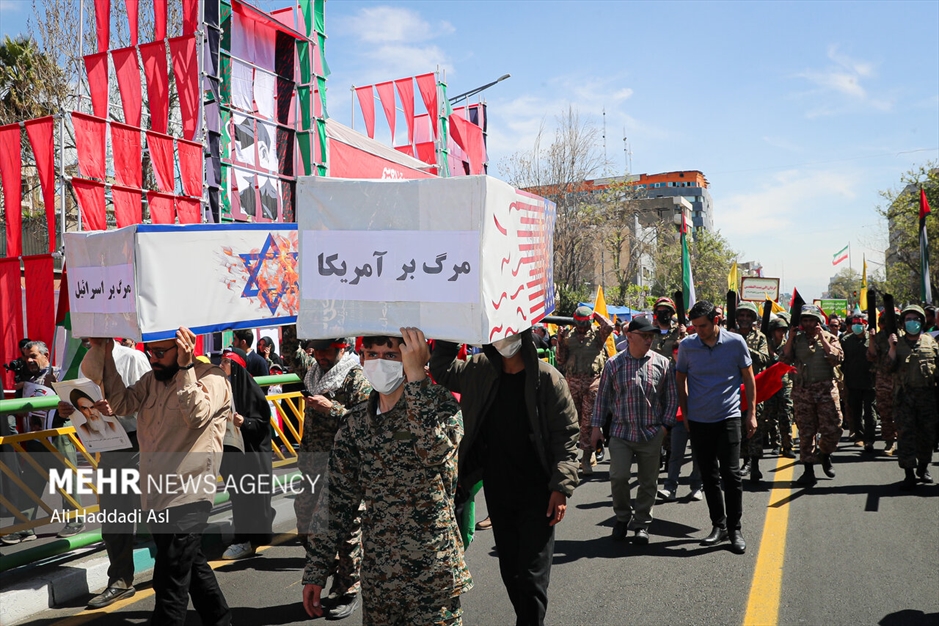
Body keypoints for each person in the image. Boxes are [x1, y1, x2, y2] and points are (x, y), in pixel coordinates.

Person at [303, 329, 472, 624]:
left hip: (432, 575)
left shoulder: (440, 404)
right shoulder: (356, 422)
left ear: (411, 357)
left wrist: (418, 378)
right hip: (381, 578)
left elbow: (433, 451)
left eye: (392, 355)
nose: (380, 363)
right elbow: (336, 498)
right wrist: (317, 568)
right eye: (372, 355)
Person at [431, 328, 579, 625]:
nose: (504, 337)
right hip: (498, 489)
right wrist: (452, 328)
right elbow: (441, 368)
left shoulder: (548, 379)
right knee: (511, 571)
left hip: (539, 493)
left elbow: (567, 437)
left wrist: (561, 487)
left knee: (532, 576)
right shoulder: (479, 370)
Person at [101, 328, 232, 626]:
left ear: (184, 347)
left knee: (170, 578)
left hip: (189, 494)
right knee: (191, 565)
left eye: (161, 353)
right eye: (151, 352)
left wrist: (185, 368)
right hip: (155, 492)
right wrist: (104, 352)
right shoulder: (152, 380)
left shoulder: (211, 377)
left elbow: (197, 415)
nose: (154, 359)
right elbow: (122, 404)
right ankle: (220, 620)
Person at [55, 337, 151, 609]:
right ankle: (120, 580)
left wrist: (120, 408)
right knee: (114, 516)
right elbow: (81, 403)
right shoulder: (87, 363)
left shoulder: (132, 358)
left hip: (139, 443)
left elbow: (151, 402)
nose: (84, 336)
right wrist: (67, 409)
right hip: (109, 446)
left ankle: (182, 569)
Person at [296, 338, 370, 620]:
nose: (321, 355)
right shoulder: (314, 371)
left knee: (347, 532)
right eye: (317, 349)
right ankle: (333, 568)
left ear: (342, 347)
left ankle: (347, 589)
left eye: (328, 349)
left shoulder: (355, 377)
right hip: (312, 465)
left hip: (343, 468)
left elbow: (365, 421)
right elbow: (294, 349)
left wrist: (333, 409)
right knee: (305, 523)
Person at [676, 301, 755, 555]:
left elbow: (749, 379)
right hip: (699, 421)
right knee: (708, 476)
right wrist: (686, 414)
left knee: (731, 476)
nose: (698, 330)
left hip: (729, 418)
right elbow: (681, 381)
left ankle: (735, 529)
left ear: (716, 321)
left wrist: (751, 414)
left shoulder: (735, 343)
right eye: (695, 326)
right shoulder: (688, 346)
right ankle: (718, 526)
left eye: (703, 326)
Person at [591, 317, 677, 544]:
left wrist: (665, 427)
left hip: (651, 434)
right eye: (645, 336)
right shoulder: (614, 364)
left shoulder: (662, 363)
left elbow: (671, 398)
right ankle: (622, 518)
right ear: (629, 336)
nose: (649, 340)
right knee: (618, 477)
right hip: (621, 433)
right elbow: (602, 399)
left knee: (648, 482)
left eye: (651, 336)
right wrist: (596, 428)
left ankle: (641, 525)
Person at [1, 340, 84, 544]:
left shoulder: (58, 374)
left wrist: (56, 385)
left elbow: (73, 400)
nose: (28, 360)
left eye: (33, 356)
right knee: (30, 482)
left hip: (58, 435)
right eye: (25, 356)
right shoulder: (25, 379)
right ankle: (24, 527)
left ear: (46, 355)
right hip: (34, 437)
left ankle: (75, 520)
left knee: (66, 479)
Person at [218, 347, 275, 561]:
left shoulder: (250, 390)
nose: (221, 365)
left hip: (250, 454)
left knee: (250, 498)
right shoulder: (220, 388)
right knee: (238, 497)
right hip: (231, 453)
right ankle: (245, 538)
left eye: (225, 362)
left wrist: (246, 423)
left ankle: (244, 541)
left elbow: (263, 424)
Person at [783, 305, 844, 487]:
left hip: (826, 391)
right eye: (805, 320)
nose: (808, 324)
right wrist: (790, 338)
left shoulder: (830, 338)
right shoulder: (796, 340)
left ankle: (824, 454)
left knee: (833, 429)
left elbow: (838, 358)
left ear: (819, 322)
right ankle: (808, 470)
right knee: (806, 432)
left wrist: (822, 339)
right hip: (803, 392)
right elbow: (784, 360)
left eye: (812, 320)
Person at [556, 305, 614, 475]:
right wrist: (560, 340)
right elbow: (560, 359)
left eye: (584, 324)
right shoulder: (567, 336)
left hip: (592, 383)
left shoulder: (597, 335)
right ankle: (571, 456)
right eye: (579, 324)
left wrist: (594, 314)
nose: (582, 328)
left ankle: (586, 459)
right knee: (572, 421)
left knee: (588, 422)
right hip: (572, 382)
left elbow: (609, 326)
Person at [887, 305, 938, 489]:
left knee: (927, 435)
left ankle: (923, 468)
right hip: (904, 398)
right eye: (908, 319)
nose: (912, 323)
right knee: (905, 436)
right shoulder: (897, 343)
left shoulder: (931, 342)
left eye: (916, 319)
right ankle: (909, 473)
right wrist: (892, 349)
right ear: (902, 323)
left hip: (927, 397)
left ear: (922, 322)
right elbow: (887, 368)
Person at [659, 339, 703, 502]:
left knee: (698, 454)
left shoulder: (697, 369)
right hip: (677, 418)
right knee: (675, 454)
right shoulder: (669, 371)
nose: (680, 356)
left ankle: (697, 486)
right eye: (677, 353)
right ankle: (670, 487)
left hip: (697, 417)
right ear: (673, 354)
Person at [732, 302, 771, 484]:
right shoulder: (728, 335)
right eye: (742, 315)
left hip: (754, 388)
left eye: (749, 316)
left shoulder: (761, 337)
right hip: (733, 389)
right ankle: (743, 462)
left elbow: (764, 359)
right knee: (737, 429)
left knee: (755, 429)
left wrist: (745, 348)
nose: (745, 319)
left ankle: (755, 465)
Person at [841, 315, 877, 452]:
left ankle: (869, 439)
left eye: (860, 323)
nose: (857, 326)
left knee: (870, 411)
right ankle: (859, 436)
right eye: (854, 323)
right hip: (853, 381)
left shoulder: (872, 339)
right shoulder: (846, 340)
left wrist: (872, 339)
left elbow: (876, 357)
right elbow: (843, 362)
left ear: (865, 324)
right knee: (855, 411)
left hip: (870, 382)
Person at [868, 309, 901, 455]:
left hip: (902, 380)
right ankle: (889, 442)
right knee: (886, 412)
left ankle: (904, 441)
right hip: (883, 379)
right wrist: (871, 339)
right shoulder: (880, 337)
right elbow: (871, 356)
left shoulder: (906, 336)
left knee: (903, 412)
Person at [763, 315, 796, 458]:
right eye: (778, 330)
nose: (781, 333)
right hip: (770, 384)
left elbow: (781, 359)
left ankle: (787, 445)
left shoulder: (788, 344)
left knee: (786, 415)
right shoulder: (766, 343)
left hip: (784, 383)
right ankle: (775, 443)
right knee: (771, 416)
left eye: (783, 330)